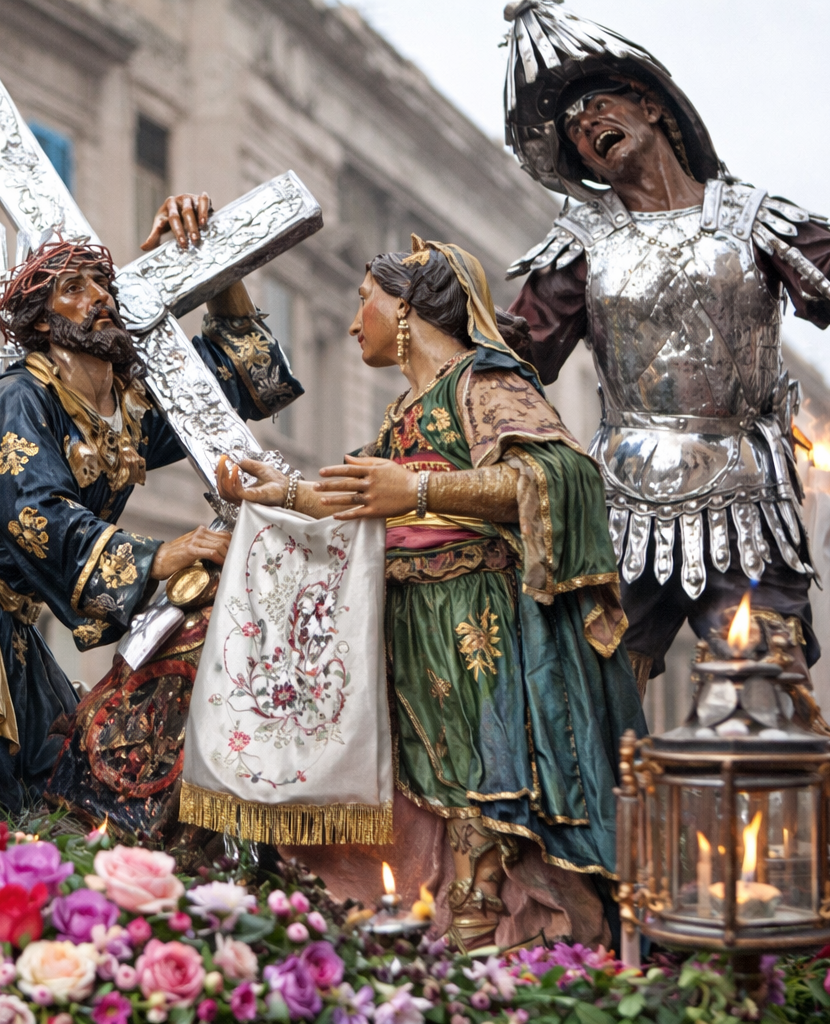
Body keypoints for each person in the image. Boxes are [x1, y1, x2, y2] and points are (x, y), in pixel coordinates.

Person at [219, 237, 645, 950]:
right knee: (427, 785)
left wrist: (416, 489)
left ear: (410, 308)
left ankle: (498, 935)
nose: (356, 323)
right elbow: (360, 495)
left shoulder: (485, 384)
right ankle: (443, 931)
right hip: (408, 617)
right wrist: (284, 492)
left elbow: (552, 478)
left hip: (476, 616)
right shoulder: (407, 410)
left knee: (483, 780)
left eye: (366, 302)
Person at [499, 2, 830, 699]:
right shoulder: (581, 245)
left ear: (650, 107)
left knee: (766, 694)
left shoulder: (752, 219)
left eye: (597, 106)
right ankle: (604, 808)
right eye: (572, 127)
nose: (585, 128)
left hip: (748, 492)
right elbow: (522, 351)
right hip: (620, 500)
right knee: (580, 695)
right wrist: (486, 338)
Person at [0, 193, 302, 813]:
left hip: (7, 623)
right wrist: (159, 556)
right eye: (74, 287)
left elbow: (245, 382)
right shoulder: (18, 397)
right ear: (42, 323)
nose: (99, 295)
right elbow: (33, 514)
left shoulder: (121, 416)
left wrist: (213, 261)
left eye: (103, 282)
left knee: (57, 790)